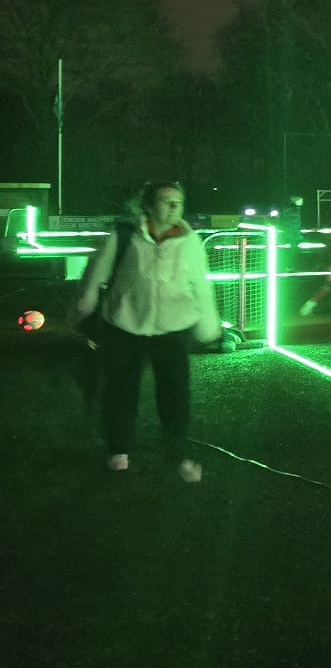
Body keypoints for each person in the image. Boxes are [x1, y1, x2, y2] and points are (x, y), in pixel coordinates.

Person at [74, 181, 221, 481]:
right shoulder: (125, 236)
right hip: (125, 325)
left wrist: (209, 325)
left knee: (175, 395)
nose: (173, 207)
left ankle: (177, 453)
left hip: (173, 328)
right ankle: (119, 449)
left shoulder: (190, 242)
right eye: (166, 201)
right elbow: (97, 273)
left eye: (178, 201)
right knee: (121, 390)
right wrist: (84, 307)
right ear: (149, 207)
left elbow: (201, 286)